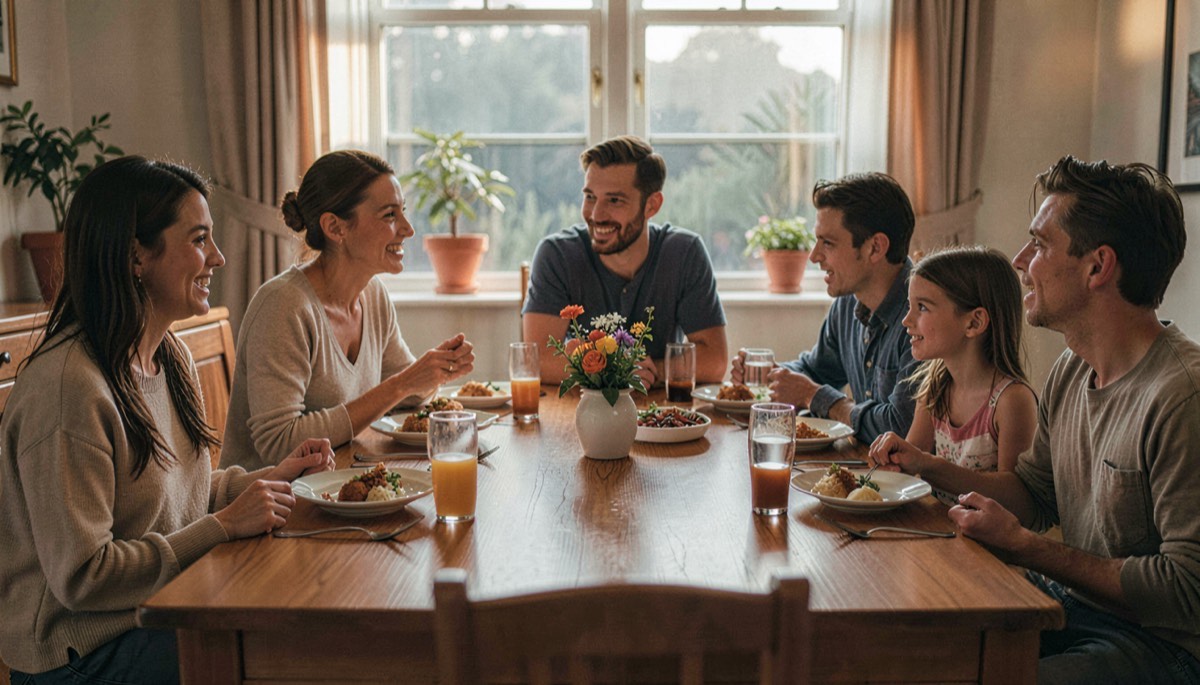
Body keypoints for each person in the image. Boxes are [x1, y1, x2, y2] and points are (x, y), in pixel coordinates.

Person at [0, 157, 335, 683]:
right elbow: (84, 578)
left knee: (314, 600)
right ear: (137, 255)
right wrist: (223, 527)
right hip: (84, 654)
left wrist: (273, 478)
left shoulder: (168, 355)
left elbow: (182, 497)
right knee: (296, 649)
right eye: (200, 240)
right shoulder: (68, 389)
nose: (218, 258)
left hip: (162, 608)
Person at [870, 156, 1200, 683]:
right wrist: (928, 467)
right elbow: (1034, 494)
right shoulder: (1073, 368)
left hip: (1162, 646)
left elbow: (1187, 590)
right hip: (1073, 607)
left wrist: (1027, 546)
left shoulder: (1182, 395)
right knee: (902, 646)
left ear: (1098, 267)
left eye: (1041, 244)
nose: (1021, 260)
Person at [221, 150, 476, 471]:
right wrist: (403, 383)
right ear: (336, 228)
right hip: (276, 509)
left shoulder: (373, 295)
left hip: (339, 484)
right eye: (389, 215)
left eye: (403, 212)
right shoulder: (284, 305)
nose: (408, 229)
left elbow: (406, 395)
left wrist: (435, 370)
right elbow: (279, 445)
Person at [522, 135, 727, 388]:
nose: (596, 215)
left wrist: (653, 370)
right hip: (580, 414)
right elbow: (536, 359)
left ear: (651, 205)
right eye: (590, 197)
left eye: (614, 200)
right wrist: (619, 369)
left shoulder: (684, 252)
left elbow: (715, 361)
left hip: (660, 418)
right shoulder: (557, 254)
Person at [731, 172, 918, 442]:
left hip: (912, 483)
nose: (814, 256)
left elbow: (901, 432)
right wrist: (769, 373)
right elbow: (817, 371)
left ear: (875, 248)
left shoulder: (924, 316)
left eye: (828, 243)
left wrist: (814, 396)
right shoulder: (847, 302)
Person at [872, 246, 1036, 505]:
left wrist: (928, 465)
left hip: (986, 546)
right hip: (944, 535)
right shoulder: (934, 389)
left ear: (974, 322)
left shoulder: (1012, 401)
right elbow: (910, 465)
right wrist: (894, 460)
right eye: (909, 306)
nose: (906, 320)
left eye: (922, 307)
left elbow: (1016, 499)